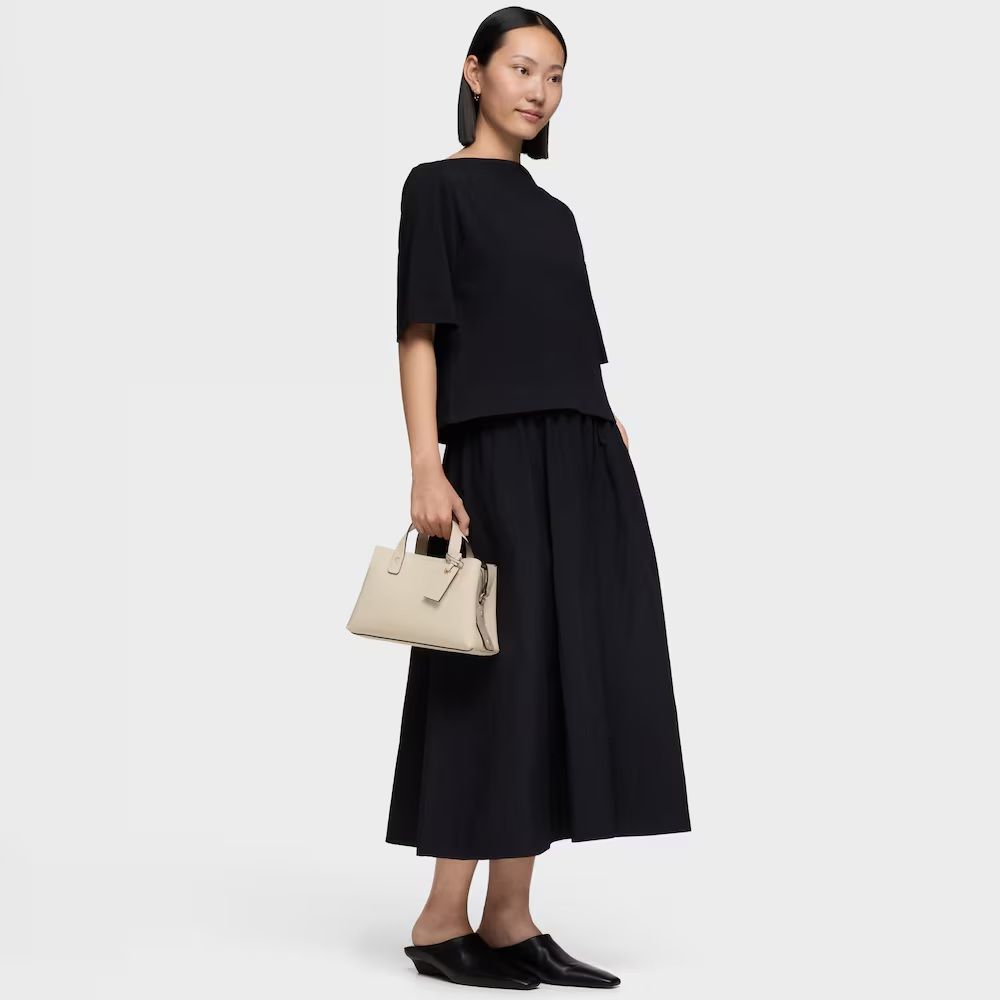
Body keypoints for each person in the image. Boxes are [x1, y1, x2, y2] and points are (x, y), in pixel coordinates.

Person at [387, 8, 691, 990]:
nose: (540, 90)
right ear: (475, 72)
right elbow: (419, 332)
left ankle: (510, 918)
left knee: (562, 675)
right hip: (496, 458)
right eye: (522, 68)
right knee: (490, 679)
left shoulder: (554, 213)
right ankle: (442, 919)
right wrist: (426, 462)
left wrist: (607, 434)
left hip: (583, 455)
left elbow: (572, 347)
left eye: (555, 76)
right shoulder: (436, 188)